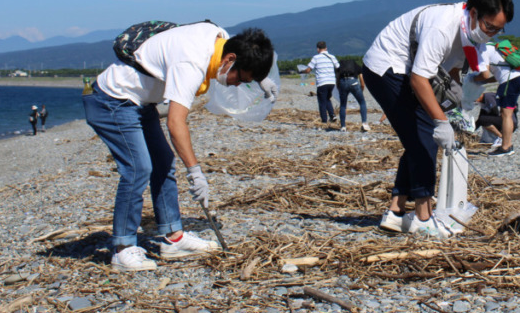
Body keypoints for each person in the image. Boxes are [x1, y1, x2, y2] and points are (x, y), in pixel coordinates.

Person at [83, 24, 276, 272]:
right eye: (240, 78)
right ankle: (122, 249)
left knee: (163, 161)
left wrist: (260, 78)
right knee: (138, 167)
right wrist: (195, 172)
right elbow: (175, 123)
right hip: (112, 101)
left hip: (140, 102)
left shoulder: (220, 39)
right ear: (230, 60)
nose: (237, 85)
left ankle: (173, 239)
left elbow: (245, 49)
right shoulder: (191, 63)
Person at [363, 0, 514, 238]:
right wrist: (440, 121)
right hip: (387, 66)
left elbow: (449, 73)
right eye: (490, 26)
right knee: (424, 135)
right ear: (474, 13)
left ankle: (396, 211)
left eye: (499, 30)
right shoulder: (443, 27)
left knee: (418, 137)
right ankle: (424, 217)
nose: (492, 34)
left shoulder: (468, 33)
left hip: (409, 69)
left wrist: (453, 111)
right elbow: (420, 79)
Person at [474, 42, 520, 157]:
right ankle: (507, 144)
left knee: (506, 114)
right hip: (519, 77)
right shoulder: (493, 47)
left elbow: (485, 74)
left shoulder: (483, 50)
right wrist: (485, 81)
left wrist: (473, 79)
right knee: (508, 112)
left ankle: (506, 146)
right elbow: (497, 76)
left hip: (509, 81)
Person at [304, 41, 340, 127]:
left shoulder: (316, 58)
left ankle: (324, 121)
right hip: (332, 82)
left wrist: (302, 71)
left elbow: (308, 70)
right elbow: (338, 67)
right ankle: (332, 116)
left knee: (322, 102)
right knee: (327, 99)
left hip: (322, 82)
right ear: (326, 48)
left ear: (318, 49)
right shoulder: (332, 57)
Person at [336, 57, 370, 132]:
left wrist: (339, 87)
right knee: (362, 102)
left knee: (343, 105)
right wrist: (362, 87)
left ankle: (343, 126)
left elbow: (337, 78)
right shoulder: (356, 66)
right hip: (353, 82)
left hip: (343, 83)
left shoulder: (340, 67)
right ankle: (364, 123)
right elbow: (361, 77)